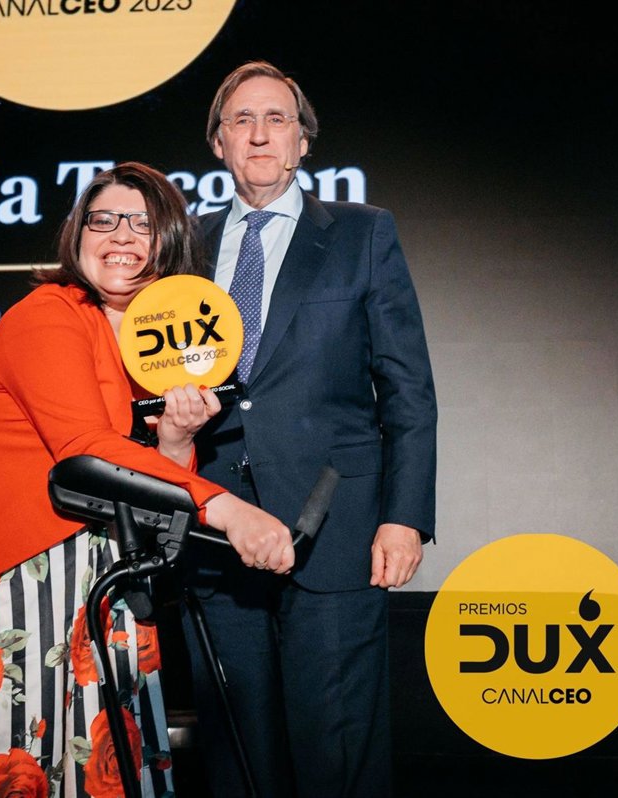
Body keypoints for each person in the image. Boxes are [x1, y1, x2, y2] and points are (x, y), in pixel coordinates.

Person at [0, 161, 294, 798]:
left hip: (96, 568)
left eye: (142, 224)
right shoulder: (47, 315)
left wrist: (176, 440)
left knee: (89, 758)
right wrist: (229, 510)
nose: (121, 236)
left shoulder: (151, 344)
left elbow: (147, 487)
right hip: (2, 566)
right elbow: (84, 449)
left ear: (168, 243)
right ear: (78, 234)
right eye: (103, 220)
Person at [183, 62, 438, 797]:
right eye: (242, 121)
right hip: (216, 529)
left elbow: (407, 390)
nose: (260, 134)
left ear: (303, 141)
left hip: (337, 527)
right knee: (238, 754)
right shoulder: (185, 247)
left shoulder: (363, 233)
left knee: (339, 752)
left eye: (277, 119)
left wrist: (404, 517)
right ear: (219, 144)